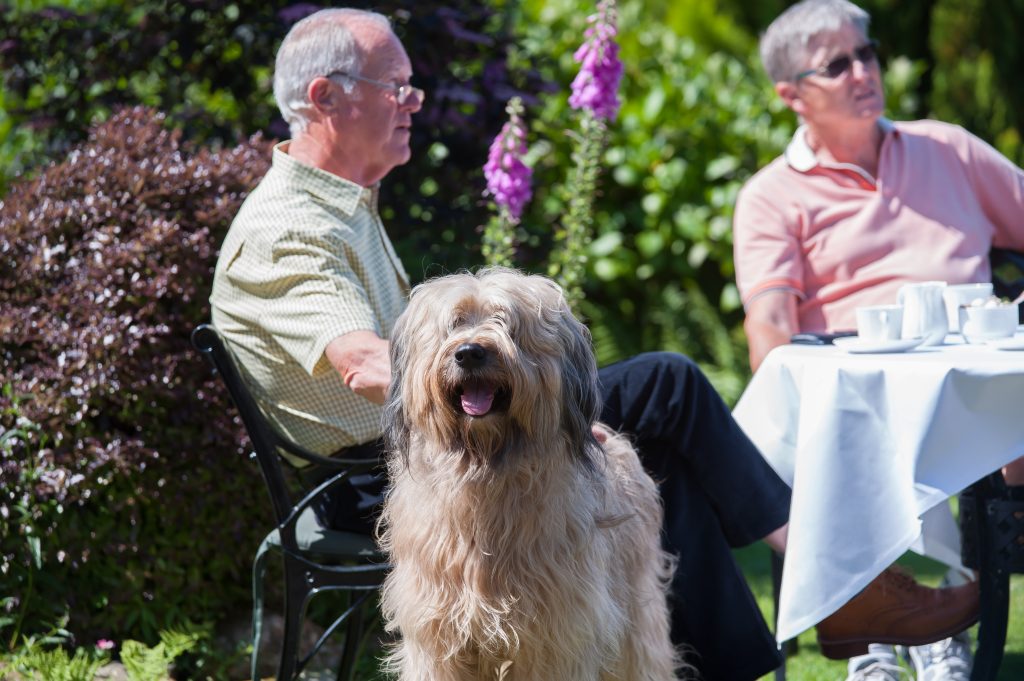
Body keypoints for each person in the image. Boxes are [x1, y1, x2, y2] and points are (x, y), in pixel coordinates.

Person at [210, 8, 978, 680]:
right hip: (376, 478)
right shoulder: (290, 229)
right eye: (396, 88)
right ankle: (841, 587)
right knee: (669, 387)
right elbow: (365, 364)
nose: (413, 103)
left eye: (412, 86)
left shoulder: (343, 206)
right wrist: (563, 411)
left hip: (426, 452)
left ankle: (769, 636)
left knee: (661, 457)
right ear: (325, 98)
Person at [733, 0, 1024, 679]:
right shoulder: (772, 196)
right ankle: (892, 628)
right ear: (791, 95)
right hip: (861, 380)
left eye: (866, 52)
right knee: (859, 422)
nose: (865, 70)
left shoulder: (947, 149)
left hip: (977, 371)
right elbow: (771, 323)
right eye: (838, 64)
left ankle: (925, 624)